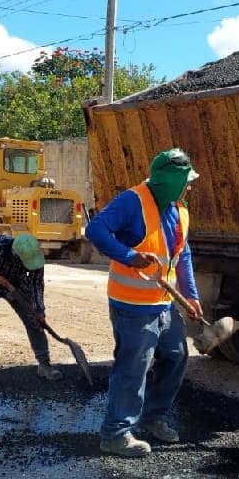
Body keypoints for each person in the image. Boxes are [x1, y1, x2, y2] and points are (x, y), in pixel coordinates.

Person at [86, 148, 202, 458]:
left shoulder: (179, 209)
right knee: (133, 368)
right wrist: (129, 255)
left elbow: (182, 254)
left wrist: (191, 295)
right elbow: (95, 229)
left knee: (176, 356)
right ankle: (115, 434)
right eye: (186, 182)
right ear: (171, 182)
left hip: (163, 303)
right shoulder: (132, 201)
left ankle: (154, 417)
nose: (189, 187)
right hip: (132, 305)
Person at [0, 233, 62, 386]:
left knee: (34, 322)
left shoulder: (35, 256)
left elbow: (36, 285)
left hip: (17, 286)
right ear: (16, 255)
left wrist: (39, 310)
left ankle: (44, 364)